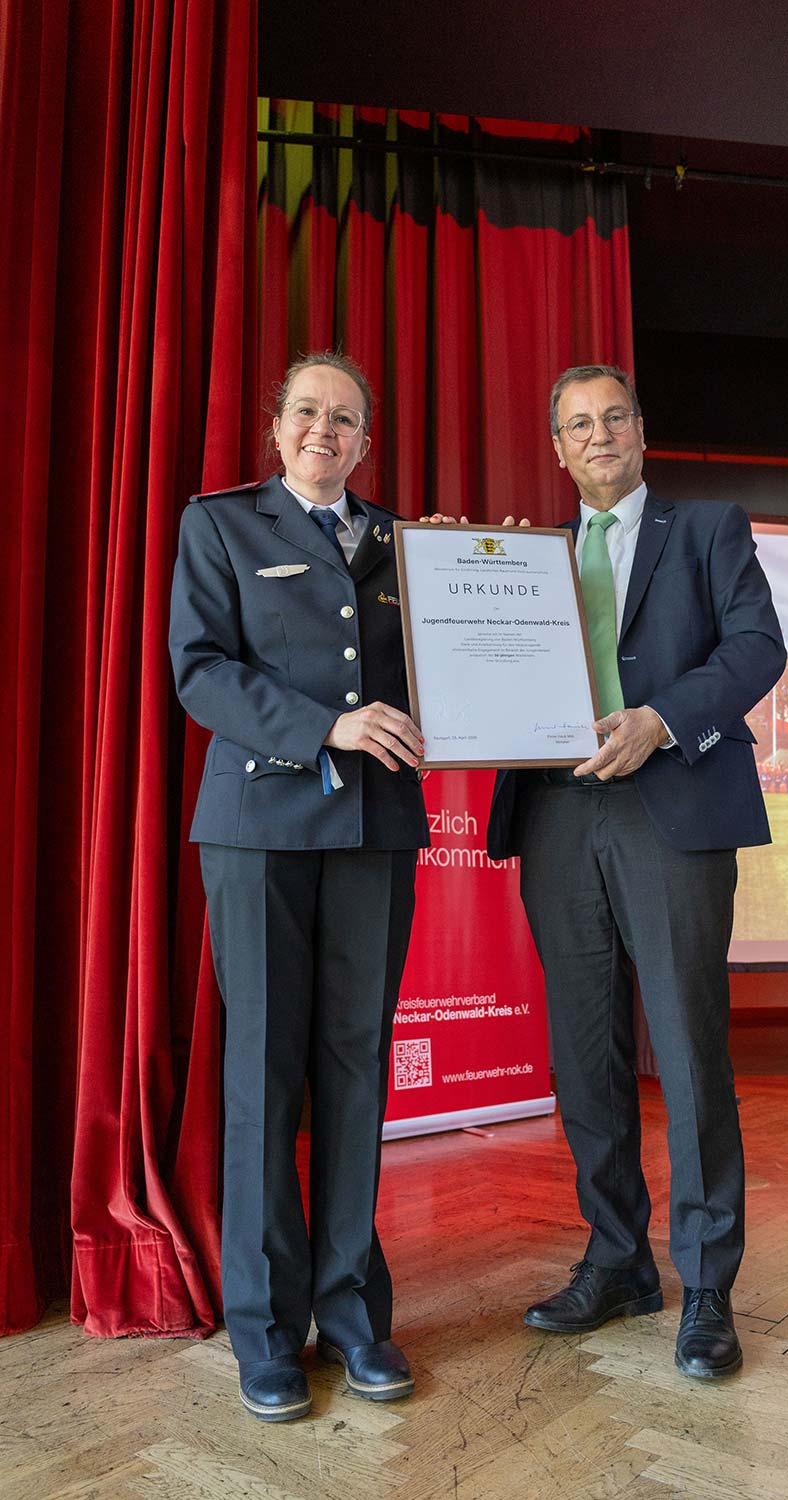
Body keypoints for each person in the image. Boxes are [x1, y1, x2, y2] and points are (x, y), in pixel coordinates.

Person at [487, 364, 786, 1378]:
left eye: (614, 416)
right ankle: (617, 1260)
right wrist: (439, 565)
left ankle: (705, 1283)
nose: (599, 433)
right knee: (584, 1056)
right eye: (579, 423)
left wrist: (662, 720)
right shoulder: (523, 559)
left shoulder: (707, 531)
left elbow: (755, 650)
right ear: (558, 448)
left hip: (673, 808)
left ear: (641, 433)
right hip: (557, 812)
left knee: (689, 1053)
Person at [169, 351, 428, 1421]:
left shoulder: (406, 544)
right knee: (267, 1076)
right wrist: (326, 725)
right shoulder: (221, 525)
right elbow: (201, 669)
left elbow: (442, 667)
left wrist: (466, 579)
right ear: (276, 427)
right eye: (309, 412)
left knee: (358, 1069)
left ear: (367, 442)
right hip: (261, 830)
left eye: (348, 419)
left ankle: (355, 1316)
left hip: (371, 830)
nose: (327, 430)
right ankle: (267, 1332)